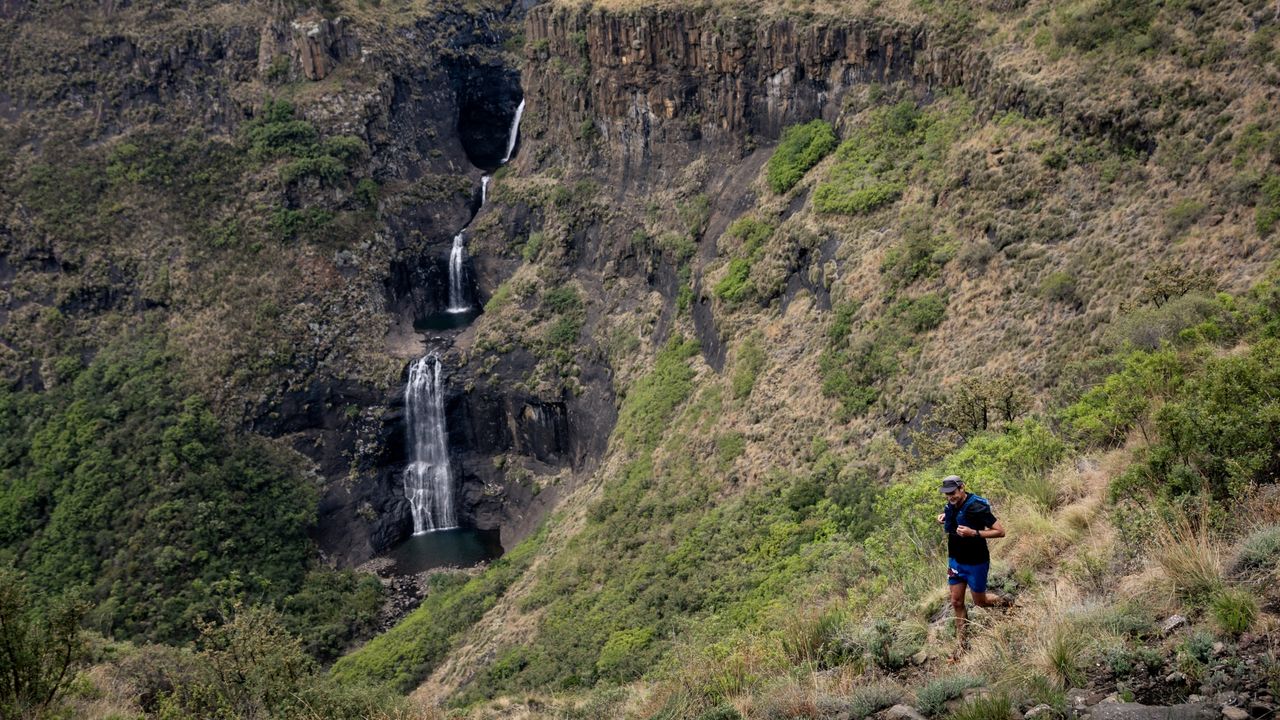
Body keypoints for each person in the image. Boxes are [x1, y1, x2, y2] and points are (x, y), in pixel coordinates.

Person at [935, 474, 1010, 655]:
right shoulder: (952, 505)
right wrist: (946, 516)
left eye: (952, 492)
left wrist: (973, 533)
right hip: (955, 560)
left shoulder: (977, 506)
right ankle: (961, 647)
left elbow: (1000, 532)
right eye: (946, 494)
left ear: (962, 487)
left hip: (976, 561)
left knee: (980, 601)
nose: (949, 497)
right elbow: (957, 516)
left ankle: (1008, 604)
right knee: (956, 601)